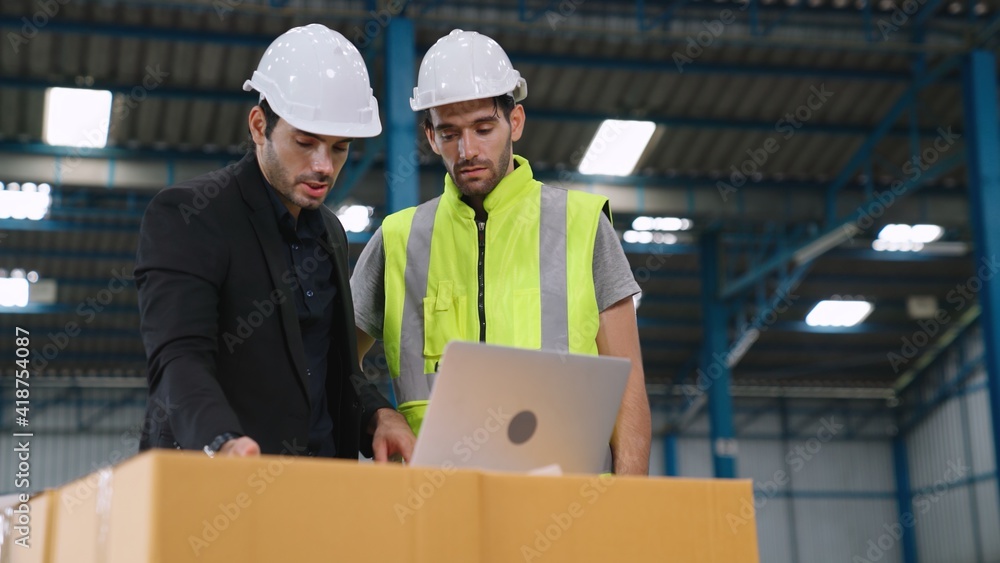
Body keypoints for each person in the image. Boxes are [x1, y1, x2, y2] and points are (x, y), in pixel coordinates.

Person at [351, 30, 652, 474]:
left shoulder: (584, 225)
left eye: (483, 128)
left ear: (516, 122)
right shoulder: (397, 240)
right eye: (449, 133)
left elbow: (628, 391)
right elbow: (334, 360)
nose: (467, 150)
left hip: (564, 502)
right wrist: (379, 413)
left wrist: (625, 511)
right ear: (430, 136)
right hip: (436, 505)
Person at [135, 24, 414, 461]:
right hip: (213, 488)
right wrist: (220, 441)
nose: (324, 166)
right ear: (259, 125)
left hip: (317, 493)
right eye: (305, 143)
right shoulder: (190, 215)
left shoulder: (330, 234)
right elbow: (179, 361)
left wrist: (378, 415)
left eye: (340, 148)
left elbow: (333, 370)